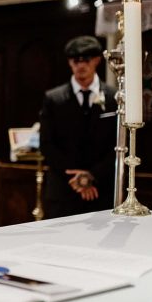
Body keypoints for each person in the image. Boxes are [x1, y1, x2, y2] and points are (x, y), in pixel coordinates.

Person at [39, 35, 118, 218]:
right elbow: (47, 144)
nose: (81, 65)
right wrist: (78, 179)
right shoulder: (54, 99)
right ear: (69, 62)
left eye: (86, 60)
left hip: (101, 190)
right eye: (76, 60)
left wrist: (92, 176)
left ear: (97, 60)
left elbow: (118, 145)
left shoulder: (114, 98)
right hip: (63, 190)